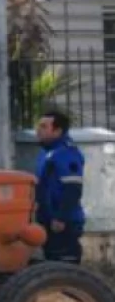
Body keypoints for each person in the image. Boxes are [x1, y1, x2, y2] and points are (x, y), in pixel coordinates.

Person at [34, 111, 86, 264]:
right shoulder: (46, 152)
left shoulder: (66, 152)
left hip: (62, 222)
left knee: (65, 266)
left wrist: (61, 217)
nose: (39, 130)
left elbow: (73, 188)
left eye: (44, 126)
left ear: (57, 131)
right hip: (47, 219)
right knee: (51, 264)